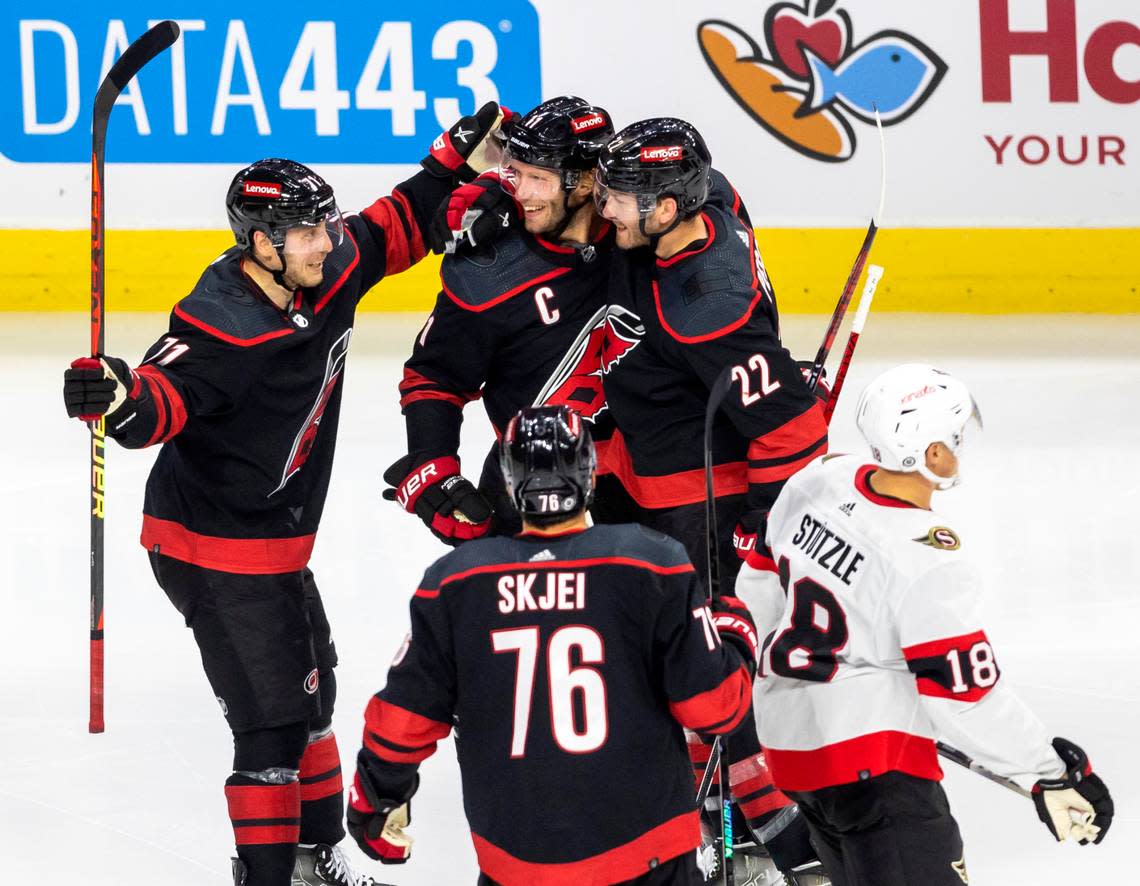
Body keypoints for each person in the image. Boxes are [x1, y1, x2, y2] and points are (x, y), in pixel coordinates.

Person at [60, 103, 507, 886]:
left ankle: (310, 861)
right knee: (271, 721)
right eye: (305, 232)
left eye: (323, 226)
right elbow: (154, 405)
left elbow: (395, 225)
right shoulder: (219, 323)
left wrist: (449, 165)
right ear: (260, 244)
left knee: (315, 693)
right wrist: (116, 393)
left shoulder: (325, 269)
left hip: (274, 542)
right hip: (212, 549)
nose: (325, 241)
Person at [346, 405, 760, 885]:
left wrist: (378, 797)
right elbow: (717, 709)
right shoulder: (653, 564)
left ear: (508, 479)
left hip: (517, 865)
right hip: (648, 858)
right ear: (589, 472)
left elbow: (404, 716)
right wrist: (734, 634)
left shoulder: (456, 583)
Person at [736, 363, 1114, 886]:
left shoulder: (817, 480)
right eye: (954, 437)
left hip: (791, 756)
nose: (960, 447)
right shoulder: (929, 559)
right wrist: (1049, 772)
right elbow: (966, 698)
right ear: (931, 453)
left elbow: (754, 592)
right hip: (876, 778)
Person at [592, 117, 829, 875]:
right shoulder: (712, 197)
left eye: (622, 200)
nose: (607, 211)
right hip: (653, 475)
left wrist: (760, 524)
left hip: (701, 504)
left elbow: (792, 427)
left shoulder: (702, 307)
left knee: (707, 661)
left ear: (666, 208)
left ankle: (754, 814)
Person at [384, 95, 632, 544]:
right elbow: (434, 376)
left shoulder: (638, 231)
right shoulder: (488, 268)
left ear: (589, 181)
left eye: (539, 178)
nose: (523, 192)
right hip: (531, 471)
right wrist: (431, 463)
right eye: (515, 174)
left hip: (643, 466)